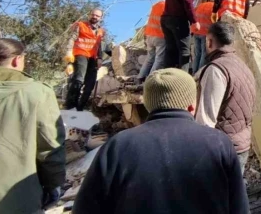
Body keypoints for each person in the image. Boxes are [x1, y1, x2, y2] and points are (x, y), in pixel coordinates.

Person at [73, 68, 248, 214]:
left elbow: (85, 208)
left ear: (149, 104)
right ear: (192, 105)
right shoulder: (218, 142)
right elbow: (239, 207)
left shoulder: (118, 146)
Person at [0, 38, 66, 213]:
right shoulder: (38, 93)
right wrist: (53, 185)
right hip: (15, 199)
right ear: (16, 60)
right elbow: (50, 147)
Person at [195, 21, 256, 174]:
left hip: (221, 150)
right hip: (241, 145)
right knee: (233, 195)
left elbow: (205, 121)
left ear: (209, 41)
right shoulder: (243, 66)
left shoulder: (215, 70)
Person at [64, 8, 105, 111]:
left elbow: (99, 45)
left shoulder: (101, 31)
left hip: (93, 58)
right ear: (90, 15)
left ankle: (80, 107)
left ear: (101, 18)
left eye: (97, 16)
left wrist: (100, 58)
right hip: (81, 54)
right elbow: (72, 38)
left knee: (90, 83)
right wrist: (69, 51)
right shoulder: (81, 25)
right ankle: (70, 105)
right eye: (93, 15)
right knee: (79, 79)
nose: (94, 17)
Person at [162, 0, 200, 72]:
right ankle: (183, 80)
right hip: (178, 20)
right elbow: (188, 3)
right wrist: (194, 21)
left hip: (166, 20)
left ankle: (167, 76)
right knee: (184, 50)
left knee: (170, 49)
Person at [137, 0, 166, 83]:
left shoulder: (156, 5)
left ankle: (140, 77)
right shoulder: (167, 6)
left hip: (149, 35)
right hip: (159, 36)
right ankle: (150, 79)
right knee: (159, 59)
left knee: (150, 58)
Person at [191, 0, 214, 74]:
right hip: (205, 33)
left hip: (196, 32)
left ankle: (194, 72)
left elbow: (192, 17)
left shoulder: (199, 6)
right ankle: (199, 74)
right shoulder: (213, 7)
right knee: (204, 54)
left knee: (197, 54)